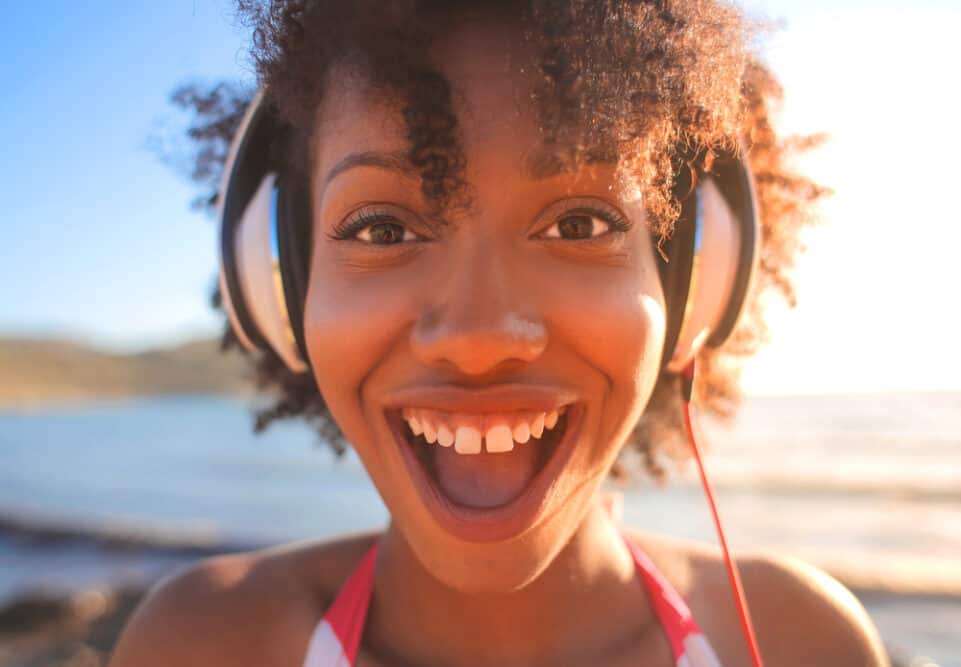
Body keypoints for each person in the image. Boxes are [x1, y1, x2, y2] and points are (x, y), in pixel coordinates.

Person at [111, 1, 890, 665]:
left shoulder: (804, 639)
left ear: (693, 280)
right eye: (382, 229)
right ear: (280, 286)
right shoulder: (201, 642)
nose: (479, 336)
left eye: (579, 222)